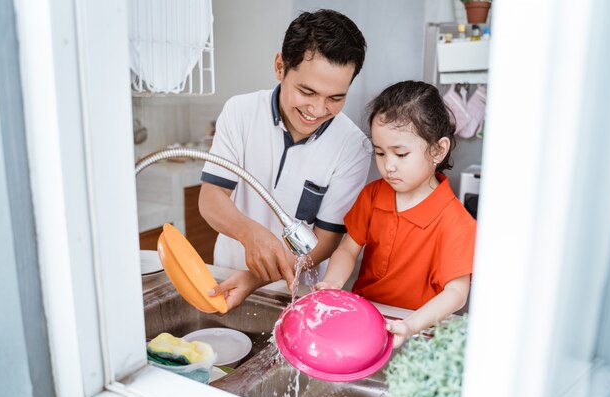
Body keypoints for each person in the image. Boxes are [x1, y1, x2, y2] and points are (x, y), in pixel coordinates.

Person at [199, 9, 370, 311]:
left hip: (300, 292)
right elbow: (211, 198)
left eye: (335, 98)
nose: (317, 110)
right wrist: (248, 232)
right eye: (307, 91)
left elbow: (326, 240)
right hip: (226, 275)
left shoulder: (353, 147)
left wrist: (254, 277)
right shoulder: (240, 113)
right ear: (280, 66)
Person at [315, 81, 476, 348]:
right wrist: (332, 283)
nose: (388, 166)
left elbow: (457, 293)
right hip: (365, 322)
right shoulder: (373, 195)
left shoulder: (456, 223)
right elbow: (347, 250)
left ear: (438, 150)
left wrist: (410, 325)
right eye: (379, 152)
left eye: (401, 154)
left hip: (418, 333)